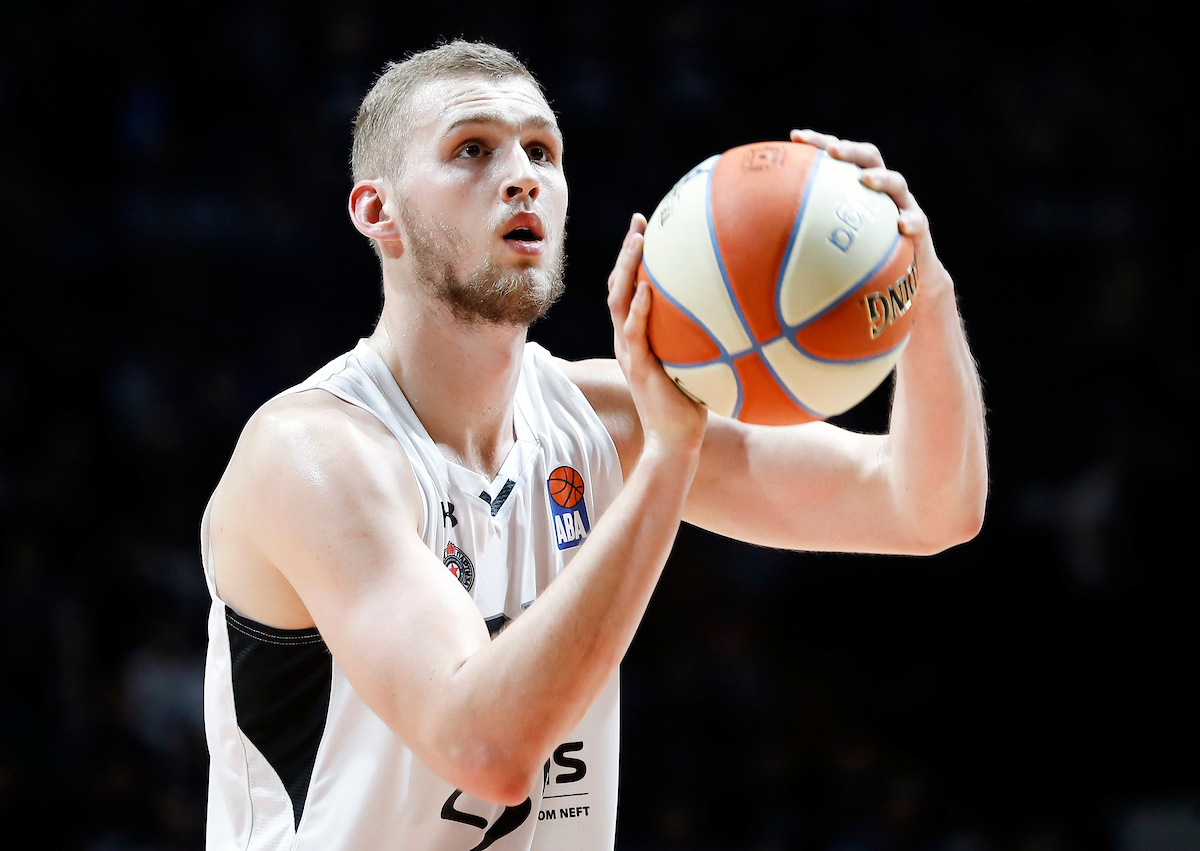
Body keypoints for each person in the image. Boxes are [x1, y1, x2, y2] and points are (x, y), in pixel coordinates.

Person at [199, 40, 987, 851]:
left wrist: (925, 295)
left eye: (542, 151)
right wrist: (669, 458)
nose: (522, 176)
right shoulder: (314, 454)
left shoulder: (604, 418)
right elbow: (485, 750)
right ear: (378, 211)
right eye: (472, 149)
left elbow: (927, 506)